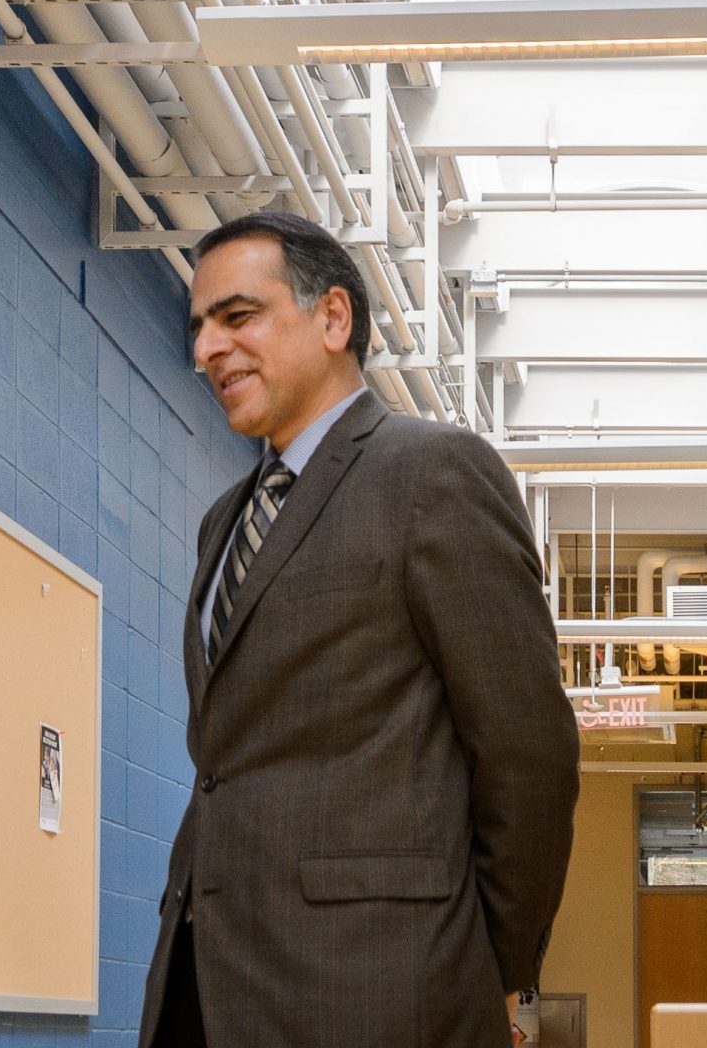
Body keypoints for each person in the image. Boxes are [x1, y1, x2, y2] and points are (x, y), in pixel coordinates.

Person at [142, 211, 578, 1048]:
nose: (205, 351)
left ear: (333, 318)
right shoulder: (221, 522)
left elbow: (527, 756)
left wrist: (495, 967)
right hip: (204, 987)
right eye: (198, 329)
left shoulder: (433, 473)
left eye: (236, 318)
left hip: (376, 989)